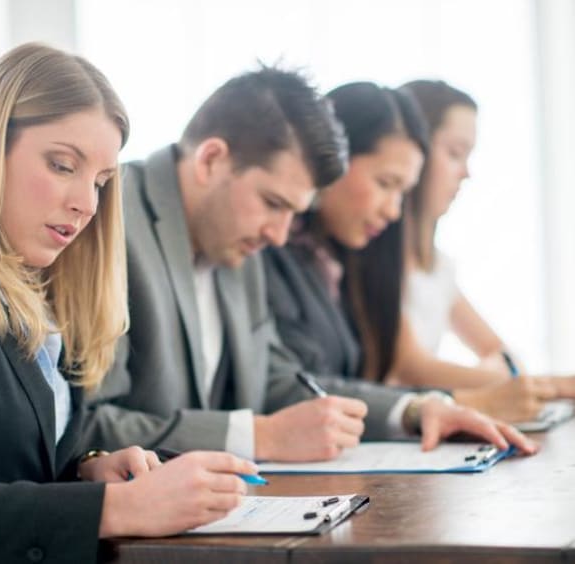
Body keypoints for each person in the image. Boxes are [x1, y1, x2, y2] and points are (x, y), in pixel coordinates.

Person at [0, 43, 257, 564]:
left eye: (100, 182)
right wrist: (110, 508)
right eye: (62, 165)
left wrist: (84, 470)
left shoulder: (38, 291)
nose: (86, 203)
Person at [84, 71, 538, 462]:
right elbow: (87, 429)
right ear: (211, 160)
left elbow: (277, 380)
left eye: (294, 210)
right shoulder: (106, 221)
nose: (280, 235)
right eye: (272, 203)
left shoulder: (237, 241)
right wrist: (261, 436)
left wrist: (415, 411)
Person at [264, 81, 570, 424]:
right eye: (386, 183)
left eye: (401, 190)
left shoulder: (339, 260)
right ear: (334, 162)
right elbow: (293, 387)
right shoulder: (278, 253)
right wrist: (457, 404)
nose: (394, 211)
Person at [396, 79, 575, 411]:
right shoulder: (375, 260)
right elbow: (413, 367)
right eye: (454, 153)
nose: (466, 173)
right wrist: (551, 386)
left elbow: (501, 353)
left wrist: (519, 379)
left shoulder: (436, 265)